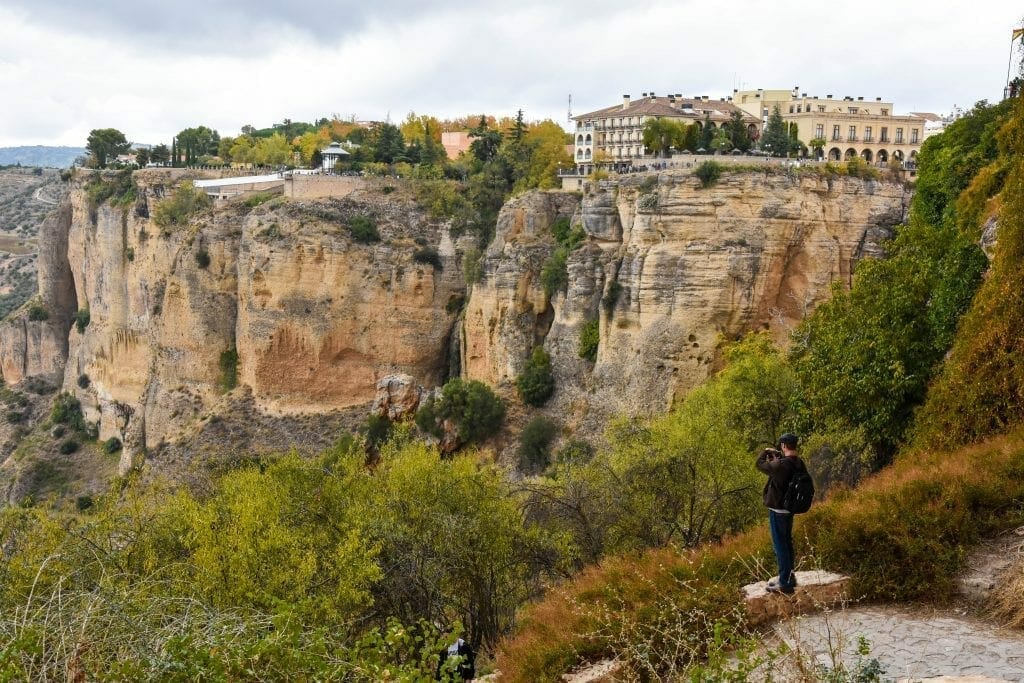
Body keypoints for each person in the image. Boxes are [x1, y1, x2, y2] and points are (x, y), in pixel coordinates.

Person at [756, 432, 804, 594]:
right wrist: (777, 459)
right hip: (789, 509)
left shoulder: (781, 465)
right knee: (787, 543)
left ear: (783, 446)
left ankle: (784, 582)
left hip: (778, 511)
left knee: (780, 546)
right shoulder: (798, 463)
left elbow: (759, 464)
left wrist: (766, 452)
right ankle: (790, 577)